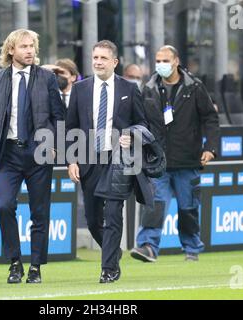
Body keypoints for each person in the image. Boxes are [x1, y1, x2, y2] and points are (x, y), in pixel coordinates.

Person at [0, 29, 64, 284]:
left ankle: (36, 266)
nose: (30, 51)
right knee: (4, 206)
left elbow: (59, 116)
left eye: (32, 46)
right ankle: (15, 262)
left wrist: (56, 145)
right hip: (7, 154)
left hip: (39, 152)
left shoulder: (47, 78)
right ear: (11, 50)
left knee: (40, 212)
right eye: (24, 47)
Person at [66, 40, 149, 283]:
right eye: (95, 58)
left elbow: (143, 123)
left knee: (113, 213)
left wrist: (131, 135)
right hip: (89, 161)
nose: (98, 62)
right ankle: (113, 251)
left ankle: (108, 268)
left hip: (118, 162)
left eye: (103, 58)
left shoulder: (130, 89)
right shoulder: (80, 89)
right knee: (93, 221)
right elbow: (71, 127)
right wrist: (71, 160)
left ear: (114, 62)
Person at [130, 45, 220, 263]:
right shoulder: (148, 88)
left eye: (165, 60)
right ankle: (148, 246)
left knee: (188, 207)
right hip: (157, 160)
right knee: (155, 204)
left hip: (187, 159)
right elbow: (139, 119)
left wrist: (211, 148)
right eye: (158, 60)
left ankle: (191, 247)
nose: (160, 64)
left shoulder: (194, 87)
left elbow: (210, 118)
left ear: (176, 61)